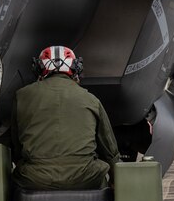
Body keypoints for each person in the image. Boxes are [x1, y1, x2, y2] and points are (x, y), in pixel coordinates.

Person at [10, 45, 120, 190]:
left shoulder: (22, 96)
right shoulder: (91, 100)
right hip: (85, 178)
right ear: (76, 69)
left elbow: (15, 148)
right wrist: (115, 179)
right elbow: (109, 151)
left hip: (35, 179)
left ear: (39, 68)